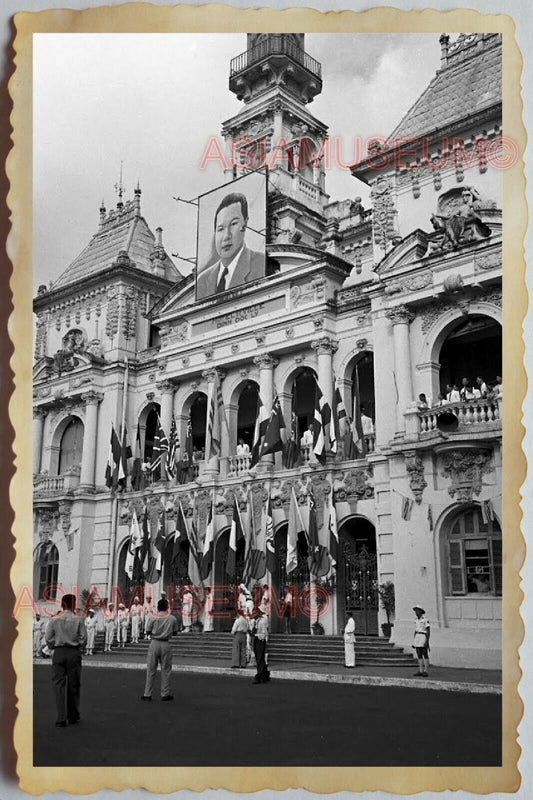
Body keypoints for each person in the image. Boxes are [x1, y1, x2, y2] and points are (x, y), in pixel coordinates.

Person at [196, 192, 265, 299]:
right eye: (220, 229)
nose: (226, 236)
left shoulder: (260, 263)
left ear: (245, 223)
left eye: (233, 224)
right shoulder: (203, 280)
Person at [45, 593, 87, 727]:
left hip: (59, 651)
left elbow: (48, 638)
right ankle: (73, 714)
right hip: (73, 652)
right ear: (73, 605)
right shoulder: (78, 619)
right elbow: (83, 638)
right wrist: (79, 645)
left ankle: (61, 716)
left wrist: (53, 645)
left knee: (58, 685)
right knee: (74, 684)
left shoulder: (55, 618)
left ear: (62, 605)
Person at [141, 597, 179, 701]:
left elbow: (148, 631)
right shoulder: (172, 618)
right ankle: (165, 693)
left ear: (158, 607)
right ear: (167, 607)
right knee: (166, 669)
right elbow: (175, 632)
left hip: (154, 643)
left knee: (151, 669)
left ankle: (147, 694)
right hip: (165, 643)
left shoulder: (153, 617)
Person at [251, 609, 270, 684]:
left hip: (260, 641)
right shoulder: (256, 621)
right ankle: (265, 674)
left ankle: (259, 675)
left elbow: (263, 634)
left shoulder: (262, 622)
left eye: (254, 613)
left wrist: (255, 635)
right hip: (256, 640)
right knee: (259, 658)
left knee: (259, 659)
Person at [412, 604, 430, 677]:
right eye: (415, 611)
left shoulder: (425, 620)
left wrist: (427, 641)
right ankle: (420, 670)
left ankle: (425, 670)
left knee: (424, 653)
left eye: (417, 611)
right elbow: (415, 630)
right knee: (418, 653)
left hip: (423, 635)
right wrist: (414, 641)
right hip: (417, 636)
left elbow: (428, 631)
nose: (416, 612)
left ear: (421, 611)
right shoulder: (416, 620)